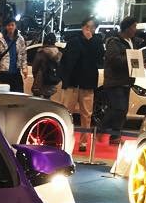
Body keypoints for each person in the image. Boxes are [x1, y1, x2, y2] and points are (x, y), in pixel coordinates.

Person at [59, 17, 104, 150]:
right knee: (66, 112)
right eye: (88, 26)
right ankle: (65, 138)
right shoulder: (74, 40)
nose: (90, 30)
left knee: (86, 115)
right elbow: (65, 61)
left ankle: (83, 142)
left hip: (87, 83)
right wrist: (64, 78)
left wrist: (91, 42)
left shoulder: (97, 41)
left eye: (93, 27)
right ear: (83, 27)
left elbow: (99, 58)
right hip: (72, 83)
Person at [102, 16, 138, 144]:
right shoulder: (114, 42)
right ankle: (102, 130)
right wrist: (131, 59)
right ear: (127, 28)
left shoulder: (132, 42)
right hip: (115, 81)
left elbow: (134, 60)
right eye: (134, 26)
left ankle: (114, 136)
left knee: (121, 110)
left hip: (126, 81)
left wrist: (142, 64)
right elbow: (114, 60)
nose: (135, 29)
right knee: (118, 108)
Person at [0, 17, 27, 93]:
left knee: (18, 94)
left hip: (16, 72)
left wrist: (24, 68)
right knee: (4, 95)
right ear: (6, 26)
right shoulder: (0, 38)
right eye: (8, 25)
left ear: (15, 26)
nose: (10, 27)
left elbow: (23, 54)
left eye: (12, 25)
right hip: (4, 72)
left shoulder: (20, 39)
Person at [31, 32, 62, 99]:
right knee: (47, 99)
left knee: (36, 100)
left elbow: (35, 67)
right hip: (52, 80)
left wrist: (35, 76)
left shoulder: (41, 52)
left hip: (40, 79)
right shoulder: (58, 53)